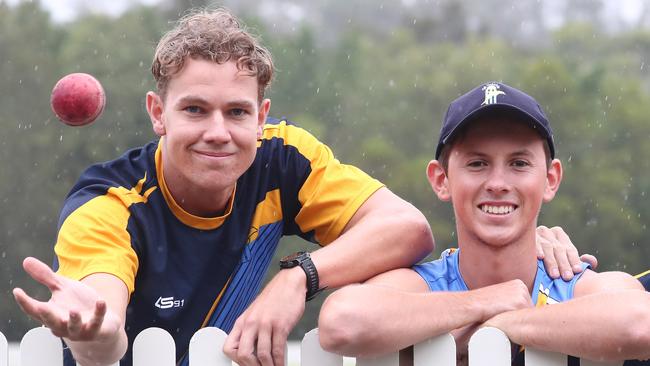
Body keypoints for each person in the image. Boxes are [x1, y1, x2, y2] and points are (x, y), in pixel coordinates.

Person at [11, 10, 586, 366]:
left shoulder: (282, 157)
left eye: (237, 112)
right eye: (194, 109)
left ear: (262, 116)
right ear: (157, 113)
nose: (218, 132)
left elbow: (407, 230)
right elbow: (103, 332)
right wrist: (95, 331)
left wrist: (297, 279)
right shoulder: (107, 202)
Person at [319, 82, 650, 365]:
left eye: (519, 163)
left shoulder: (574, 285)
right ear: (441, 179)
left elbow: (641, 323)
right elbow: (342, 323)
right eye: (477, 163)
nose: (498, 182)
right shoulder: (423, 285)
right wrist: (483, 302)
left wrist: (502, 324)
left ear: (550, 179)